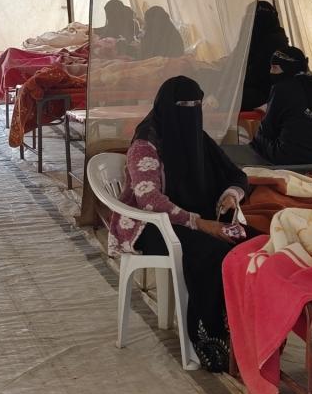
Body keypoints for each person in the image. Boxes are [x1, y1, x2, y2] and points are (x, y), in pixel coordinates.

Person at [106, 77, 249, 372]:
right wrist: (201, 224)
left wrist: (230, 195)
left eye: (197, 104)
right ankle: (207, 334)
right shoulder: (146, 144)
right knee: (210, 252)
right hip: (149, 226)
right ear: (167, 107)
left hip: (190, 218)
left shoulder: (197, 137)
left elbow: (235, 174)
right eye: (185, 105)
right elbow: (150, 201)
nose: (191, 111)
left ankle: (243, 329)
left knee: (246, 244)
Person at [252, 46, 312, 167]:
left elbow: (268, 129)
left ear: (288, 67)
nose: (271, 72)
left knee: (259, 137)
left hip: (293, 156)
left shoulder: (280, 88)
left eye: (275, 68)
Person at [239, 0, 290, 111]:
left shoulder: (271, 42)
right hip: (264, 89)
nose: (247, 23)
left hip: (267, 94)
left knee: (229, 97)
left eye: (250, 18)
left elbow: (258, 74)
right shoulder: (266, 37)